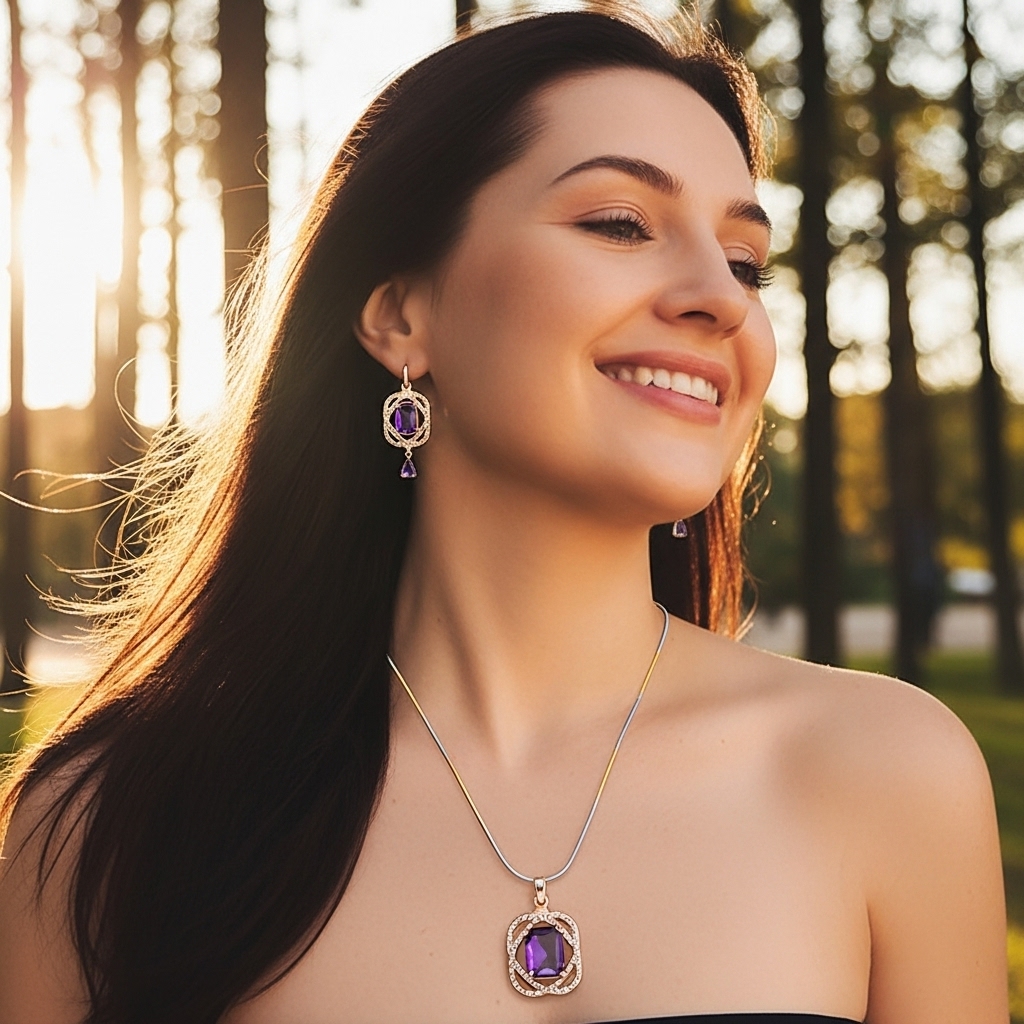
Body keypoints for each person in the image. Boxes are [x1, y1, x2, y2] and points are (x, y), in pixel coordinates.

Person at [0, 6, 1007, 1023]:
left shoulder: (884, 772)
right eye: (619, 223)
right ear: (400, 315)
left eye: (746, 263)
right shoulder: (104, 824)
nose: (721, 298)